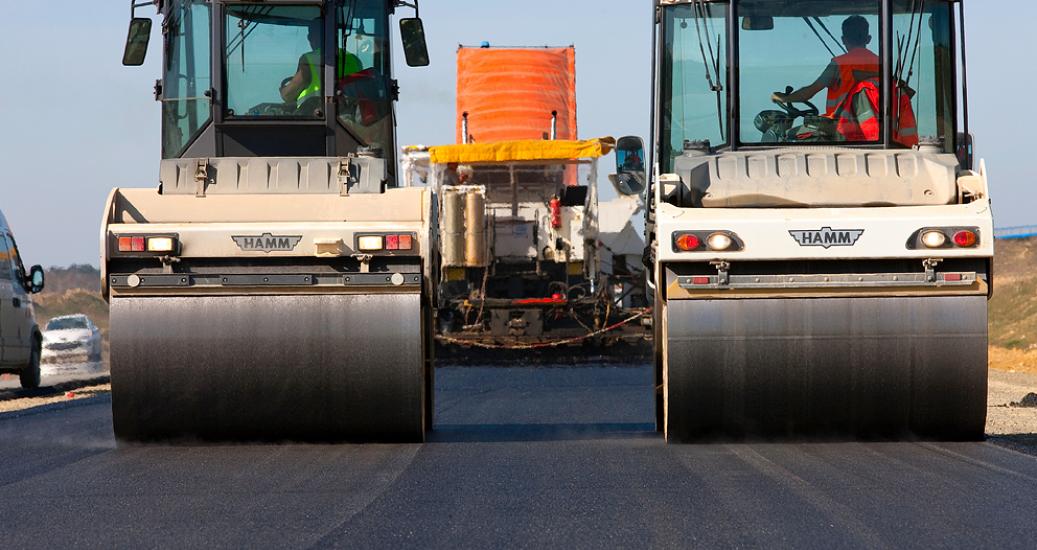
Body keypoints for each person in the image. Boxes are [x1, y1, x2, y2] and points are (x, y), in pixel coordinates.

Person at [771, 15, 917, 146]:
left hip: (841, 131)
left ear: (843, 39)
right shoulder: (882, 65)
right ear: (868, 39)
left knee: (786, 136)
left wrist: (785, 98)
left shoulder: (839, 64)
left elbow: (809, 93)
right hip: (874, 133)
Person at [280, 23, 364, 109]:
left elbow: (289, 94)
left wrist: (283, 90)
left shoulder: (309, 59)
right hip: (349, 115)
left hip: (314, 115)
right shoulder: (355, 60)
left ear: (310, 38)